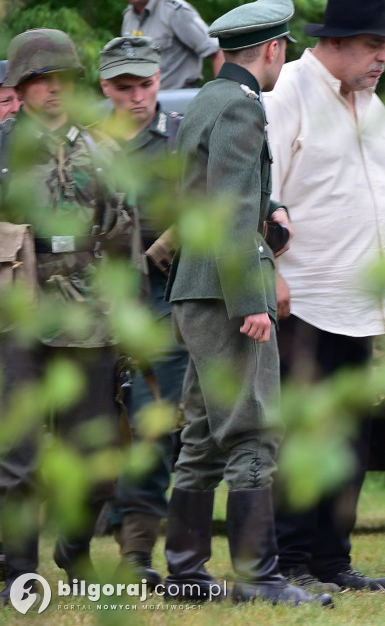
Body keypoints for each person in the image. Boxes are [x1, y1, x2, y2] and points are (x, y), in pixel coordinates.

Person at [163, 0, 330, 607]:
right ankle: (259, 580)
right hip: (226, 292)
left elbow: (218, 196)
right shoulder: (240, 108)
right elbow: (230, 214)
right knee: (253, 428)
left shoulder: (210, 100)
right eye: (284, 48)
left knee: (205, 432)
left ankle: (185, 572)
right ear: (272, 48)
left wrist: (271, 206)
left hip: (198, 290)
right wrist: (252, 301)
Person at [263, 0, 385, 593]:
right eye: (374, 46)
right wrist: (268, 273)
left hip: (360, 300)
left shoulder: (376, 112)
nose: (384, 58)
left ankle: (332, 560)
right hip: (304, 296)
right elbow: (258, 195)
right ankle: (292, 559)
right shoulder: (287, 95)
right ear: (336, 43)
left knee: (350, 437)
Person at [0, 28, 135, 599]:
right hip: (18, 312)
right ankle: (17, 572)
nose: (54, 88)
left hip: (89, 313)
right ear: (21, 86)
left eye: (62, 78)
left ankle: (75, 549)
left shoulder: (102, 149)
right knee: (19, 457)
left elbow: (124, 235)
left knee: (95, 456)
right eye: (40, 79)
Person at [98, 35, 188, 586]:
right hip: (95, 296)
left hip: (160, 293)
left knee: (159, 422)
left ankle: (136, 554)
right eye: (124, 87)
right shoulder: (85, 144)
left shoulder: (178, 140)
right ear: (105, 87)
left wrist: (167, 246)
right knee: (97, 425)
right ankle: (74, 539)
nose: (138, 98)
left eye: (147, 85)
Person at [112, 0, 224, 89]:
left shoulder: (175, 11)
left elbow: (217, 51)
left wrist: (221, 96)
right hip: (146, 102)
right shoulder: (128, 16)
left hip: (179, 100)